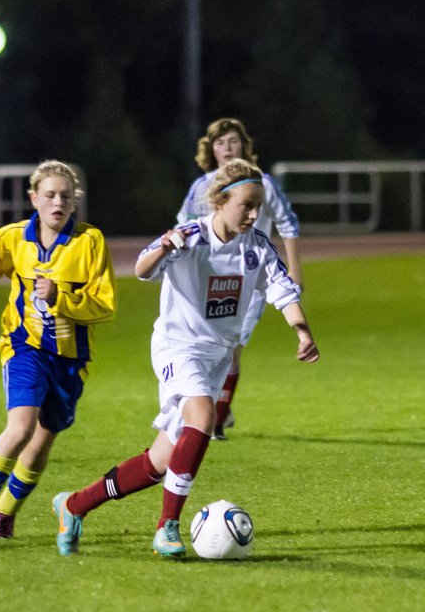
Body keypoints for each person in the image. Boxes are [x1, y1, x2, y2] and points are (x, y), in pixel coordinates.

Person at [52, 158, 318, 558]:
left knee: (159, 463)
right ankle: (167, 529)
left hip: (217, 357)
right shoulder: (191, 236)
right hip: (178, 348)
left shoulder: (257, 246)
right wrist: (164, 245)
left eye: (258, 207)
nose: (252, 214)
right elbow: (142, 269)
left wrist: (301, 330)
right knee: (203, 418)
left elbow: (282, 289)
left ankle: (74, 505)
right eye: (246, 205)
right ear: (220, 200)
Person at [0, 160, 116, 549]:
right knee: (20, 428)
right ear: (33, 199)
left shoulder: (89, 242)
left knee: (41, 440)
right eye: (50, 195)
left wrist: (62, 298)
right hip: (24, 347)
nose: (58, 202)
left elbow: (104, 305)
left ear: (75, 201)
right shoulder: (12, 238)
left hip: (70, 359)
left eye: (66, 196)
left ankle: (5, 515)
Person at [176, 117, 302, 439]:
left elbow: (288, 225)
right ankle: (208, 408)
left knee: (232, 346)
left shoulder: (265, 185)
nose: (227, 149)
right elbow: (182, 230)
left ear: (244, 145)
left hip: (251, 280)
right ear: (211, 150)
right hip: (206, 282)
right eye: (220, 143)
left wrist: (295, 272)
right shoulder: (200, 188)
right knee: (208, 345)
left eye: (233, 141)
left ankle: (215, 418)